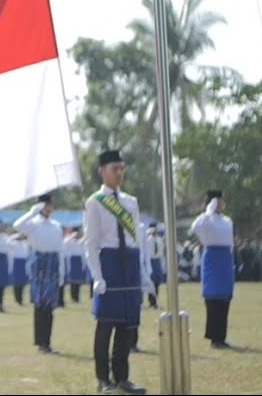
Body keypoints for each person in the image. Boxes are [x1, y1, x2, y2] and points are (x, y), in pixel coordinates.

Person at [84, 149, 152, 395]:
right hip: (110, 262)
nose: (119, 173)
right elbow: (90, 243)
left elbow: (138, 240)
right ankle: (103, 379)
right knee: (106, 324)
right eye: (115, 168)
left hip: (130, 263)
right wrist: (97, 276)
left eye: (122, 168)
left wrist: (144, 271)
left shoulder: (130, 202)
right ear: (102, 171)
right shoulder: (94, 202)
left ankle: (122, 377)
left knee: (127, 324)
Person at [14, 192, 64, 354]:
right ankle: (40, 341)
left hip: (52, 264)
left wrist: (62, 270)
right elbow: (17, 225)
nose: (51, 207)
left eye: (51, 204)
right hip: (39, 264)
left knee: (49, 305)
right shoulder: (33, 223)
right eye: (48, 204)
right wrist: (32, 212)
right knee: (39, 304)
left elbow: (60, 249)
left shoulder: (56, 225)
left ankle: (46, 342)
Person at [190, 190, 235, 348]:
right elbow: (195, 227)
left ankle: (221, 336)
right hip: (212, 257)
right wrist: (208, 211)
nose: (222, 203)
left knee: (225, 298)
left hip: (225, 258)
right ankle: (213, 337)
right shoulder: (206, 220)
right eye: (219, 201)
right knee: (213, 299)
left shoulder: (227, 220)